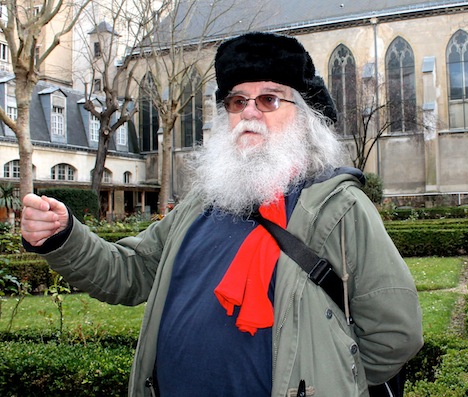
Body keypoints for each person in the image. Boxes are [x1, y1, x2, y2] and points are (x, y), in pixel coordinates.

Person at [21, 32, 423, 397]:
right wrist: (64, 236)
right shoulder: (201, 203)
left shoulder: (341, 209)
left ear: (303, 117)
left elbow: (395, 333)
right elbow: (129, 272)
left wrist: (332, 380)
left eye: (269, 99)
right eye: (237, 101)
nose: (250, 112)